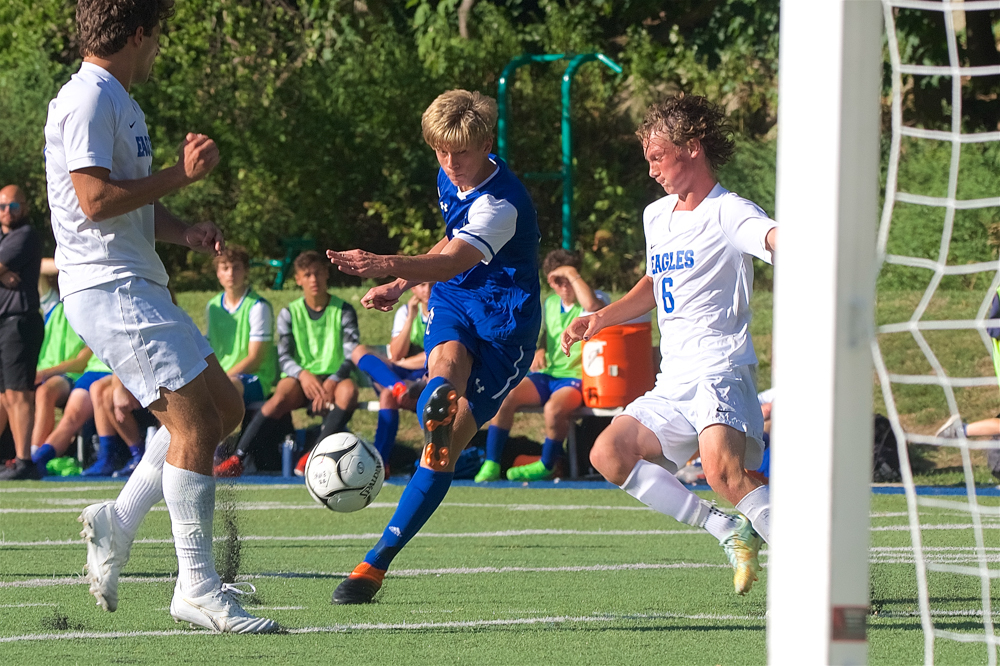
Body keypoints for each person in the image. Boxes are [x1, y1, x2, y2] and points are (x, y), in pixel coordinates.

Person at [44, 0, 276, 632]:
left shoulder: (118, 98)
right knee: (196, 421)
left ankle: (117, 524)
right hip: (111, 287)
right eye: (157, 38)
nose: (157, 50)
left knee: (223, 409)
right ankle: (196, 587)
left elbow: (125, 207)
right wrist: (182, 174)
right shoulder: (91, 97)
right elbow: (94, 201)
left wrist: (185, 231)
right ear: (138, 34)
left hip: (136, 280)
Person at [326, 89, 541, 604]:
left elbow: (451, 261)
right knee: (444, 367)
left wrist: (385, 264)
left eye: (460, 153)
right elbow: (449, 243)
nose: (449, 163)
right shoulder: (450, 170)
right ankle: (440, 393)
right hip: (456, 299)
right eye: (440, 151)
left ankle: (375, 562)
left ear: (487, 142)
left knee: (439, 449)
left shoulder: (501, 202)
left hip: (505, 329)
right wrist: (402, 284)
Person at [562, 95, 776, 596]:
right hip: (675, 376)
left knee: (725, 474)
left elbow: (769, 237)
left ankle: (827, 578)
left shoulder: (729, 211)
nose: (653, 170)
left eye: (658, 157)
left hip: (719, 367)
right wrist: (599, 318)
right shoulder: (656, 216)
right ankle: (727, 530)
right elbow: (654, 285)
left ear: (692, 148)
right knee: (609, 453)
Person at [216, 250, 359, 478]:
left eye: (318, 273)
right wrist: (303, 375)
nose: (314, 279)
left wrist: (332, 380)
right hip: (302, 379)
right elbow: (284, 357)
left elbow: (353, 354)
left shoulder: (344, 310)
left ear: (326, 275)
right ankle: (238, 458)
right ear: (298, 279)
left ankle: (314, 456)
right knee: (280, 396)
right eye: (308, 275)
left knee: (349, 392)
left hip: (335, 378)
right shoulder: (289, 312)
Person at [476, 249, 609, 482]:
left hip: (579, 376)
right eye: (558, 280)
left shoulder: (596, 298)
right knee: (505, 398)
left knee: (553, 410)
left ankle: (547, 464)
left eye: (569, 278)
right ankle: (492, 462)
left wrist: (570, 272)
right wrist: (540, 348)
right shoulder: (549, 303)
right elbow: (548, 333)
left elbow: (591, 306)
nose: (564, 285)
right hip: (550, 375)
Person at [350, 282, 432, 472]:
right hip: (403, 375)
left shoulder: (442, 310)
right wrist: (411, 317)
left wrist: (402, 364)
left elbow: (433, 356)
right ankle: (379, 465)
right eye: (422, 285)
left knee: (388, 396)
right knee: (359, 351)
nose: (427, 290)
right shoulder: (406, 311)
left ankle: (378, 463)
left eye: (432, 284)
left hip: (425, 374)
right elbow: (396, 353)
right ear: (413, 289)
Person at [0, 185, 44, 480]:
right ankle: (13, 458)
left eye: (13, 206)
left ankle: (24, 459)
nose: (7, 212)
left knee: (18, 393)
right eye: (2, 207)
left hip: (19, 321)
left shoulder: (24, 235)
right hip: (3, 321)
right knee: (4, 395)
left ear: (24, 207)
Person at [204, 245, 277, 406]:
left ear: (246, 271)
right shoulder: (213, 306)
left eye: (236, 268)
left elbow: (255, 359)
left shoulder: (258, 306)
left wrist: (220, 380)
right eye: (225, 268)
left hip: (254, 378)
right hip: (222, 376)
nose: (230, 273)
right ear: (218, 273)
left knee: (224, 389)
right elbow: (209, 349)